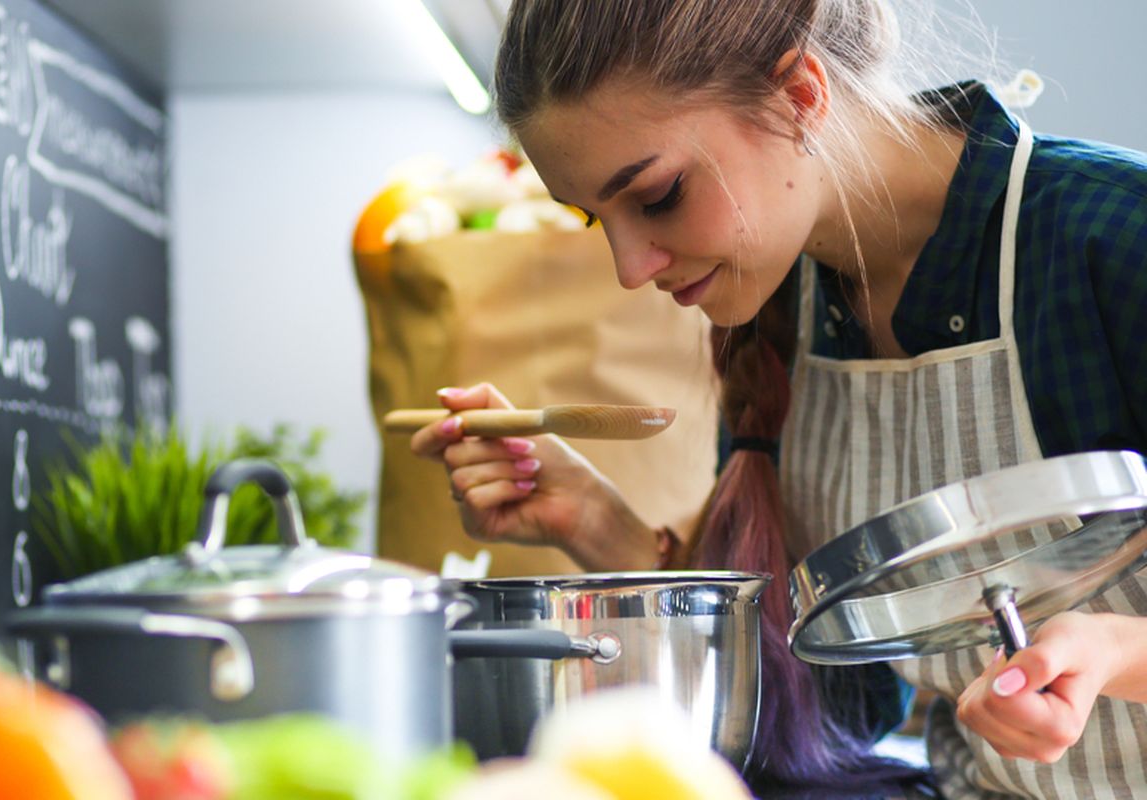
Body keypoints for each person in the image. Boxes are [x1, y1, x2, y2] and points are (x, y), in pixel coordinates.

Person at [408, 1, 1147, 796]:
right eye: (597, 219)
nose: (630, 267)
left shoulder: (1114, 236)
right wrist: (595, 522)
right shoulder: (781, 309)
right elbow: (837, 701)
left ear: (799, 95)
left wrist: (1114, 649)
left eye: (657, 196)